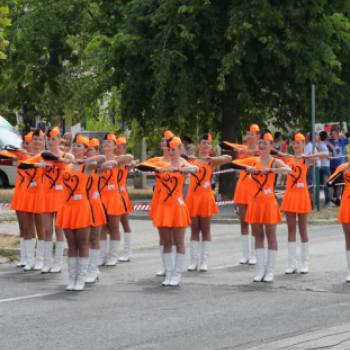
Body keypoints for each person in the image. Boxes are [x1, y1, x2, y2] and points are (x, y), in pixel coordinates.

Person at [230, 131, 292, 282]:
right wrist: (247, 168)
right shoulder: (253, 160)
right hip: (255, 203)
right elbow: (233, 163)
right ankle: (261, 270)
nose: (262, 145)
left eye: (265, 143)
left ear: (271, 146)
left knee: (271, 235)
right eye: (261, 143)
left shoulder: (274, 161)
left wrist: (270, 170)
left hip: (269, 203)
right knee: (258, 235)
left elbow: (288, 170)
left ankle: (270, 271)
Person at [137, 137, 199, 286]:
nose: (171, 152)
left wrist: (178, 169)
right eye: (169, 149)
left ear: (180, 150)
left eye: (174, 149)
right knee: (166, 242)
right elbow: (140, 166)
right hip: (163, 207)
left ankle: (177, 275)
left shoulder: (184, 164)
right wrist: (156, 169)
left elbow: (195, 169)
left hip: (177, 207)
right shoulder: (161, 164)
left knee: (179, 242)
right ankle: (169, 273)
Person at [56, 134, 106, 291]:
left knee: (83, 243)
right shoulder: (66, 165)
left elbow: (103, 160)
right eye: (74, 145)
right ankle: (72, 278)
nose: (76, 147)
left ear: (86, 150)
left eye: (80, 145)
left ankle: (81, 278)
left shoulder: (87, 167)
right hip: (66, 207)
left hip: (82, 208)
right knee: (71, 244)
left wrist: (84, 161)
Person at [23, 127, 74, 273]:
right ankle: (47, 262)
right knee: (47, 230)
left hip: (60, 196)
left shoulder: (66, 155)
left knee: (59, 229)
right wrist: (36, 165)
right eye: (49, 139)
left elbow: (75, 162)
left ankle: (57, 263)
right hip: (46, 195)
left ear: (59, 140)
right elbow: (23, 165)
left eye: (53, 139)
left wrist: (64, 160)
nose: (51, 142)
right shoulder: (43, 156)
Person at [281, 133, 329, 274]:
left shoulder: (306, 160)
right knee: (291, 229)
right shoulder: (288, 158)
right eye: (294, 143)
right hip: (290, 195)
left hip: (302, 196)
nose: (295, 145)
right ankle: (292, 264)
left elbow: (326, 154)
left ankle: (305, 263)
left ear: (303, 144)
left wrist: (308, 156)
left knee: (302, 228)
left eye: (298, 143)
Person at [186, 133, 232, 272]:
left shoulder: (212, 162)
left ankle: (204, 261)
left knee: (205, 229)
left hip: (206, 197)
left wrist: (211, 157)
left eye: (209, 143)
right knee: (194, 230)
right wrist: (189, 158)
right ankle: (194, 261)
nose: (206, 145)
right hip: (193, 197)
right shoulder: (191, 161)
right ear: (199, 145)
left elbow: (229, 158)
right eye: (204, 143)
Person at [220, 124, 262, 265]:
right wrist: (234, 149)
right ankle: (246, 254)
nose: (249, 136)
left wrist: (254, 153)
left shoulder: (261, 150)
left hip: (255, 187)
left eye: (252, 134)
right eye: (248, 134)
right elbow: (222, 143)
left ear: (258, 136)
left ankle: (256, 253)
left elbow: (272, 154)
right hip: (242, 187)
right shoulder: (242, 149)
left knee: (255, 221)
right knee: (243, 221)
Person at [98, 133, 134, 266]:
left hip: (114, 197)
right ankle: (102, 255)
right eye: (105, 142)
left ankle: (113, 255)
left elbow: (130, 159)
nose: (106, 144)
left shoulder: (118, 161)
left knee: (114, 227)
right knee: (102, 228)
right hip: (101, 197)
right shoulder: (100, 159)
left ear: (115, 146)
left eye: (110, 142)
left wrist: (115, 160)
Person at [16, 129, 46, 271]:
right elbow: (22, 165)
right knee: (28, 226)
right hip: (28, 193)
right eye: (35, 139)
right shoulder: (26, 157)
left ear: (43, 142)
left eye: (40, 140)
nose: (37, 142)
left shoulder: (45, 156)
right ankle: (29, 259)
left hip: (40, 193)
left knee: (40, 227)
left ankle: (40, 259)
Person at [2, 132, 32, 267]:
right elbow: (4, 151)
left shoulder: (35, 158)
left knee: (29, 226)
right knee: (21, 226)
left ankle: (30, 258)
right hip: (19, 193)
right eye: (23, 143)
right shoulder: (21, 157)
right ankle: (24, 257)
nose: (25, 145)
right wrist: (14, 152)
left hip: (30, 195)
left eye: (28, 143)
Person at [85, 138, 110, 283]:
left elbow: (112, 162)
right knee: (84, 240)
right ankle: (92, 269)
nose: (89, 153)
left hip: (94, 206)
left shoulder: (98, 168)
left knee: (94, 238)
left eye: (92, 149)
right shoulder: (80, 166)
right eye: (87, 150)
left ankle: (93, 270)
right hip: (81, 206)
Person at [114, 136, 136, 262]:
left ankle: (127, 252)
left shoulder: (125, 163)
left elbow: (132, 162)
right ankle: (112, 253)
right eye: (115, 148)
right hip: (110, 196)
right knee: (110, 225)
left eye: (119, 148)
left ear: (125, 148)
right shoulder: (112, 160)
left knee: (124, 223)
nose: (117, 150)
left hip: (122, 196)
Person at [327, 164, 350, 282]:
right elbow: (329, 183)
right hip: (347, 204)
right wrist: (341, 172)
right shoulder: (344, 166)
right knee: (348, 239)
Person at [326, 129, 349, 206]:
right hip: (332, 166)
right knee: (332, 183)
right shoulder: (329, 141)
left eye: (334, 133)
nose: (333, 135)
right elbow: (323, 141)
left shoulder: (342, 141)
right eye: (332, 134)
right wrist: (330, 145)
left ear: (338, 134)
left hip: (341, 167)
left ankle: (338, 199)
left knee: (340, 184)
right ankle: (331, 198)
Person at [317, 131, 332, 206]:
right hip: (325, 166)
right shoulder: (323, 146)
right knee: (327, 184)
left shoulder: (320, 144)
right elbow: (328, 156)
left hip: (321, 166)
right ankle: (328, 201)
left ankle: (316, 200)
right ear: (326, 137)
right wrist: (330, 155)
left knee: (320, 184)